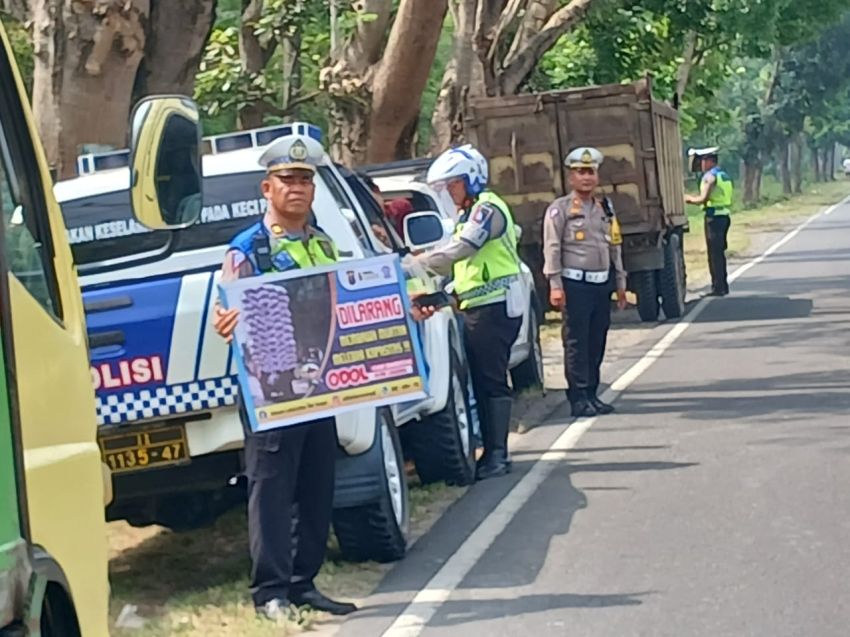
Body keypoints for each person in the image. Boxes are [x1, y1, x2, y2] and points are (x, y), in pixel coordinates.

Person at [212, 134, 434, 622]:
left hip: (320, 390)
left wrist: (400, 312)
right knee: (271, 491)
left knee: (316, 486)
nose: (298, 188)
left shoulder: (322, 243)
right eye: (287, 180)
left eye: (305, 180)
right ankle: (270, 592)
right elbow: (228, 310)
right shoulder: (249, 249)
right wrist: (223, 320)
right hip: (272, 392)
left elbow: (346, 304)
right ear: (266, 189)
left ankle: (303, 582)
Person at [416, 144, 523, 481]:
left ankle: (498, 455)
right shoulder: (467, 215)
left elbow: (464, 249)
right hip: (478, 306)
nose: (449, 193)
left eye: (453, 185)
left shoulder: (487, 210)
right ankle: (491, 452)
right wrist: (439, 295)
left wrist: (415, 264)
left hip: (495, 307)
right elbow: (465, 273)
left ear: (472, 179)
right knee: (480, 379)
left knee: (491, 380)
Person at [543, 147, 627, 419]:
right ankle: (578, 398)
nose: (586, 177)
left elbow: (614, 246)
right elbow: (552, 248)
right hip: (574, 284)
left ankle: (592, 393)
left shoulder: (605, 207)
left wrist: (621, 282)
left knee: (597, 340)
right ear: (571, 177)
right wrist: (555, 284)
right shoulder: (560, 209)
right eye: (581, 172)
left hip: (601, 283)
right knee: (577, 343)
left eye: (591, 172)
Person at [685, 147, 734, 297]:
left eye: (703, 161)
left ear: (710, 161)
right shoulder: (723, 175)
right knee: (719, 253)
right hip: (724, 216)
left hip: (713, 218)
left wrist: (687, 199)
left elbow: (703, 199)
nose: (701, 164)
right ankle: (722, 286)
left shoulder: (709, 177)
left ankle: (717, 287)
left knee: (714, 255)